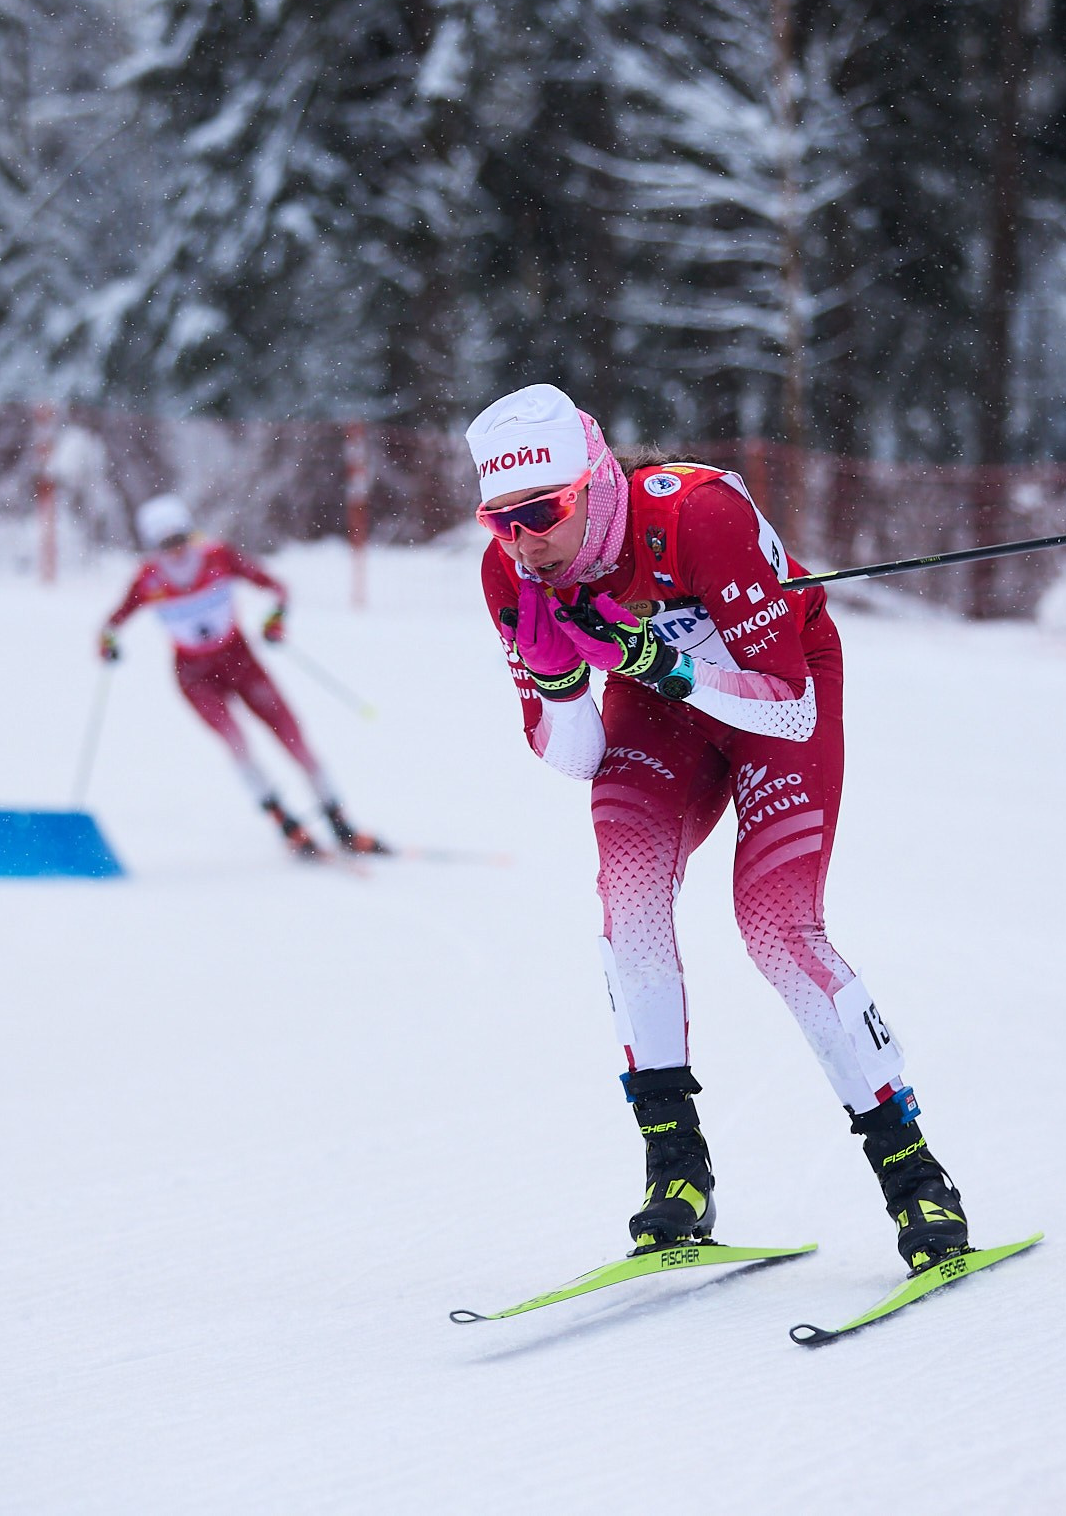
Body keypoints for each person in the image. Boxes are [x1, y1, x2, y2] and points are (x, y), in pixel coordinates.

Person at [466, 384, 968, 1271]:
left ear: (591, 483)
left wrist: (665, 660)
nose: (523, 538)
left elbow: (789, 709)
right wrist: (555, 681)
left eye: (541, 512)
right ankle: (676, 1170)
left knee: (775, 926)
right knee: (627, 894)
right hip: (658, 707)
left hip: (773, 695)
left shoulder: (697, 517)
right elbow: (573, 755)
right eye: (500, 517)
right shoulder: (510, 572)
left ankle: (912, 1170)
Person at [99, 493, 385, 860]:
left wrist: (275, 619)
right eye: (165, 544)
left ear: (191, 533)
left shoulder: (218, 557)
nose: (176, 551)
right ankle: (287, 825)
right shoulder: (147, 580)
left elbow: (277, 588)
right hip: (195, 677)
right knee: (238, 746)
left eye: (180, 539)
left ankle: (341, 824)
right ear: (152, 546)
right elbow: (112, 625)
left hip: (241, 662)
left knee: (293, 739)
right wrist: (107, 644)